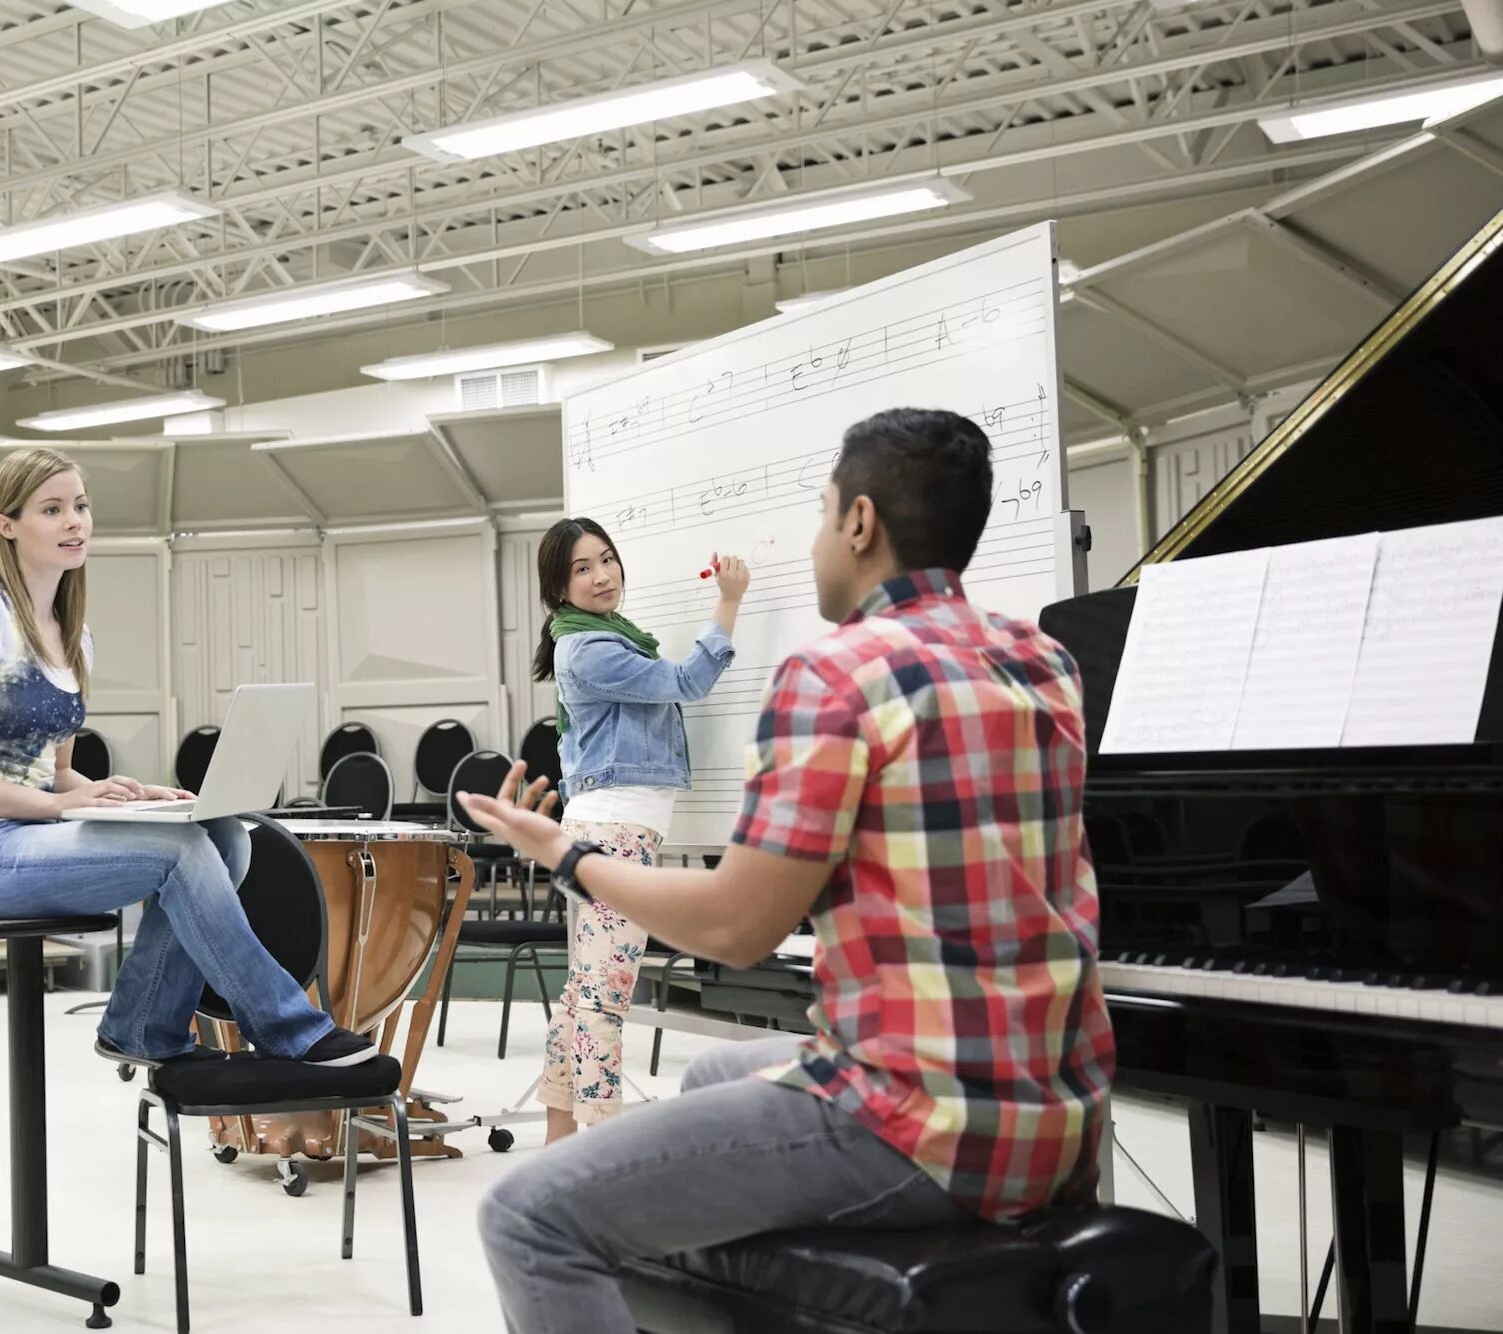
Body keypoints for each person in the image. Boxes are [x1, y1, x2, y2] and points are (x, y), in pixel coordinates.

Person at [461, 409, 1116, 1334]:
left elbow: (736, 929)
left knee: (524, 1214)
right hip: (1060, 1113)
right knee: (713, 1076)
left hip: (919, 1120)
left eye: (818, 514)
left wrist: (563, 854)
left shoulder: (836, 674)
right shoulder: (1044, 660)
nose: (814, 540)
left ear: (858, 524)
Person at [0, 446, 373, 1069]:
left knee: (227, 837)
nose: (75, 522)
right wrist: (57, 803)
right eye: (52, 510)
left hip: (34, 833)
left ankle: (142, 1026)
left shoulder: (74, 635)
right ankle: (289, 1028)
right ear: (6, 525)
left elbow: (57, 771)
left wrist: (127, 791)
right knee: (178, 855)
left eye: (81, 506)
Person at [529, 517, 748, 1142]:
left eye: (607, 559)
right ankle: (599, 1143)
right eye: (582, 568)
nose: (602, 576)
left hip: (609, 829)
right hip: (615, 834)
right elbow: (687, 682)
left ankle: (559, 1137)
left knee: (585, 992)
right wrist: (728, 602)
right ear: (559, 587)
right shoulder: (591, 649)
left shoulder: (600, 636)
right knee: (605, 997)